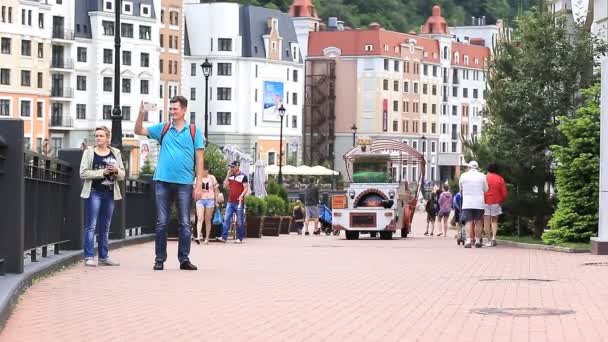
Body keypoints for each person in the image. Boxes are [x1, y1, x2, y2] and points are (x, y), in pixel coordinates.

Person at [135, 96, 205, 271]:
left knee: (184, 223)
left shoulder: (194, 131)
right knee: (162, 222)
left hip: (185, 183)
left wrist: (198, 185)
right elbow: (138, 130)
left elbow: (200, 158)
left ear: (184, 110)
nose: (172, 112)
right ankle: (159, 259)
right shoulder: (163, 128)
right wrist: (141, 113)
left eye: (175, 109)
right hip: (163, 181)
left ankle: (184, 259)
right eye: (171, 109)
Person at [79, 126, 125, 267]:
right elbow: (83, 173)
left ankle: (104, 257)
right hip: (94, 192)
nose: (98, 138)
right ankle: (89, 257)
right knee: (91, 226)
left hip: (110, 193)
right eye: (96, 136)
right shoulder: (89, 153)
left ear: (107, 138)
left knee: (105, 226)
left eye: (101, 136)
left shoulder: (115, 153)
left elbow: (123, 175)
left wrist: (116, 170)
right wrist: (102, 172)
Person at [218, 161, 249, 243]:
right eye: (230, 166)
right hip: (230, 201)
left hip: (239, 202)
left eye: (232, 166)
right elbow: (224, 186)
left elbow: (246, 188)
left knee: (239, 220)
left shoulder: (243, 176)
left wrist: (242, 195)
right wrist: (228, 174)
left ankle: (239, 238)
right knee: (226, 219)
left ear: (237, 167)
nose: (231, 168)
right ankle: (224, 237)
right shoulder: (231, 176)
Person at [459, 161, 489, 248]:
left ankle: (468, 241)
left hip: (467, 203)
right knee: (478, 221)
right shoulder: (483, 176)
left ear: (469, 167)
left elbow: (460, 189)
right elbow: (486, 189)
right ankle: (477, 241)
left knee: (468, 221)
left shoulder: (463, 175)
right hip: (479, 203)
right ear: (478, 168)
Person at [483, 163, 508, 247]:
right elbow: (504, 193)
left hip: (485, 201)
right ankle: (494, 238)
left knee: (486, 221)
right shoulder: (500, 179)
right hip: (496, 201)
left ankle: (488, 240)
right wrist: (502, 200)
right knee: (494, 221)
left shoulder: (484, 178)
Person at [194, 165, 219, 244]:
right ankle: (198, 236)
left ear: (208, 170)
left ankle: (207, 238)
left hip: (210, 200)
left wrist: (216, 201)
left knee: (207, 220)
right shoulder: (198, 178)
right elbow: (194, 189)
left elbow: (216, 190)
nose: (204, 172)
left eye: (205, 170)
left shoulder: (212, 178)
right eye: (202, 170)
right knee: (200, 218)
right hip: (200, 200)